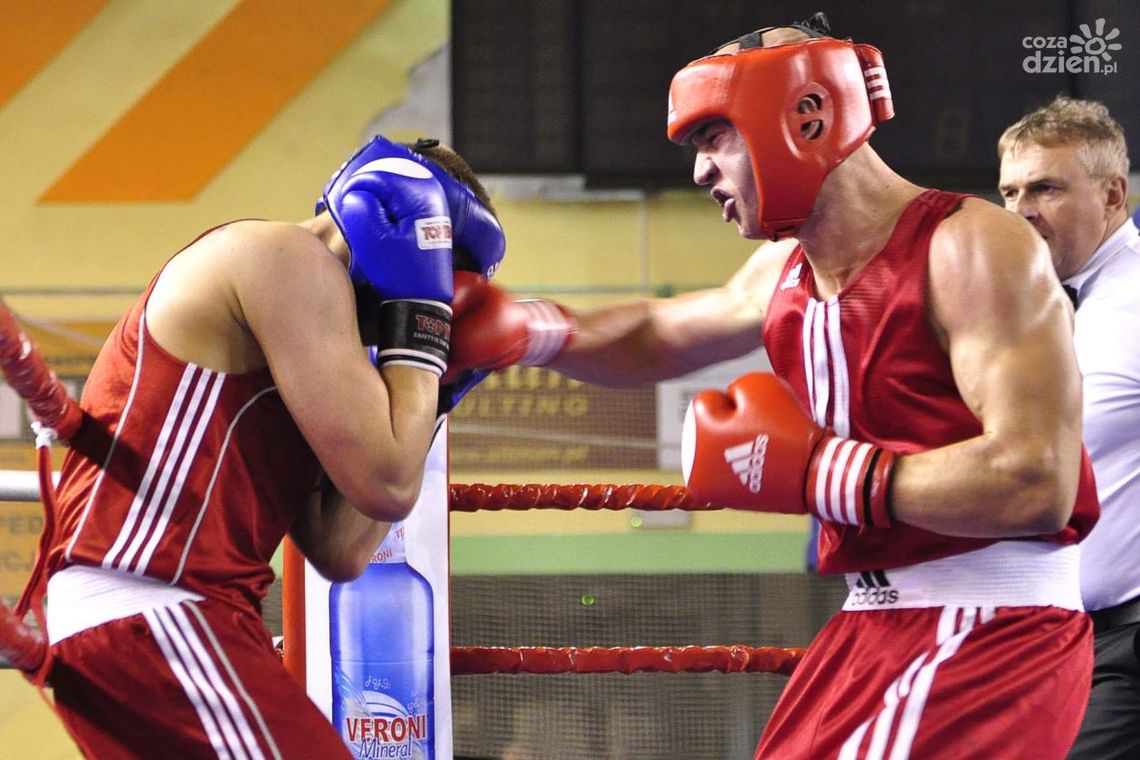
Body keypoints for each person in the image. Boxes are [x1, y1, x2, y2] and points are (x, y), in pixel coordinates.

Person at [439, 14, 1100, 759]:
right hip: (872, 620)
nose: (700, 172)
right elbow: (658, 332)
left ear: (807, 116)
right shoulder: (784, 272)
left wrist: (818, 473)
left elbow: (1035, 479)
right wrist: (531, 330)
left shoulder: (970, 247)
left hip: (987, 622)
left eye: (714, 137)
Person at [37, 134, 504, 758]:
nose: (445, 303)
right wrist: (423, 332)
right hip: (152, 604)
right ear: (399, 223)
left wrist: (436, 396)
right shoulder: (285, 259)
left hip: (176, 616)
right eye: (445, 275)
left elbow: (340, 548)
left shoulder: (315, 346)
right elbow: (389, 485)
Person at [998, 96, 1139, 759]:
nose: (1022, 209)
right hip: (1049, 642)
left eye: (1046, 188)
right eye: (1010, 191)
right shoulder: (1023, 312)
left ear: (1112, 196)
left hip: (1126, 642)